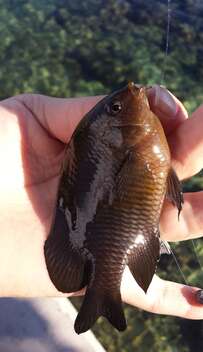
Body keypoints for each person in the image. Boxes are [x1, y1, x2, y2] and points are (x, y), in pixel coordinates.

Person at [0, 86, 202, 320]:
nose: (132, 91)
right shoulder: (137, 140)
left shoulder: (129, 139)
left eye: (115, 107)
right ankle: (103, 293)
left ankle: (102, 294)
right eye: (116, 108)